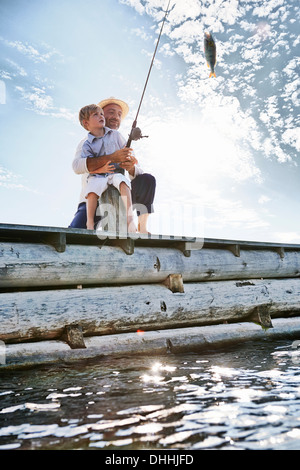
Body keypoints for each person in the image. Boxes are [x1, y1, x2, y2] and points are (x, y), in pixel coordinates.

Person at [69, 97, 156, 233]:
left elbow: (137, 170)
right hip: (94, 198)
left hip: (121, 193)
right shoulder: (87, 141)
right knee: (75, 232)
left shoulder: (118, 138)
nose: (116, 117)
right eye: (111, 112)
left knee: (147, 179)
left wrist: (130, 167)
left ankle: (141, 226)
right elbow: (77, 166)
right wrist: (111, 157)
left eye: (119, 114)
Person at [78, 104, 136, 232]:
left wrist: (131, 161)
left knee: (123, 181)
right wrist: (102, 168)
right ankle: (90, 224)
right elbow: (82, 167)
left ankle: (130, 219)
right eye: (96, 114)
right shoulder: (86, 143)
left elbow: (128, 152)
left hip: (113, 175)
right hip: (98, 177)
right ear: (86, 123)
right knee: (92, 189)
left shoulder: (116, 135)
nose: (101, 116)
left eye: (101, 114)